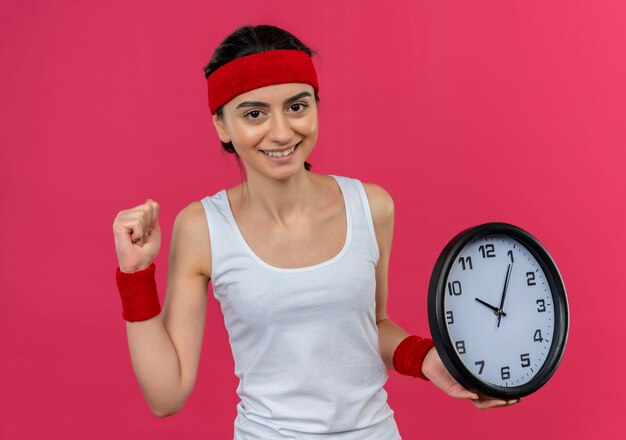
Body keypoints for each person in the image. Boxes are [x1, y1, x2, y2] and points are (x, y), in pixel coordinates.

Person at [112, 24, 520, 439]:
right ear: (222, 126)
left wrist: (428, 360)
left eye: (297, 106)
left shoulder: (372, 206)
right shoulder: (203, 227)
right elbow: (166, 395)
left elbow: (372, 324)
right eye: (254, 113)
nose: (282, 132)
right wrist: (135, 277)